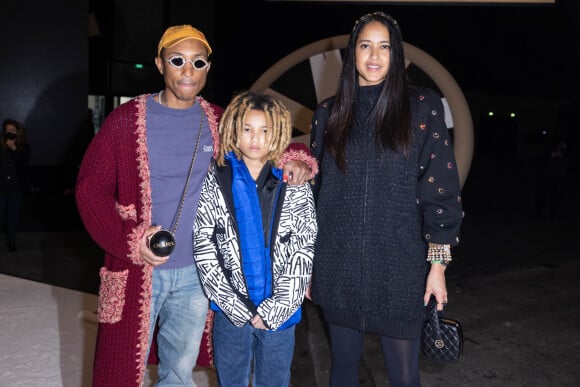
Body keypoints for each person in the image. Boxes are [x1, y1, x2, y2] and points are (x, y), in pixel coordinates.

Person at [75, 25, 317, 386]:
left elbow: (265, 143)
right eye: (177, 60)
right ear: (160, 64)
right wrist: (130, 240)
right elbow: (89, 190)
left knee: (179, 371)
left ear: (207, 68)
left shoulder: (219, 122)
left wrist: (298, 158)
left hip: (197, 276)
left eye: (198, 62)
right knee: (121, 372)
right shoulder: (124, 122)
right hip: (137, 268)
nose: (188, 71)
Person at [308, 12, 463, 387]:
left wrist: (438, 267)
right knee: (342, 369)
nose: (374, 56)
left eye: (384, 47)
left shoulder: (422, 106)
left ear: (397, 54)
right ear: (352, 52)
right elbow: (312, 193)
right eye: (365, 45)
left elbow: (440, 191)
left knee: (404, 376)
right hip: (338, 265)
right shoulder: (329, 112)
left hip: (400, 269)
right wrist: (308, 262)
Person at [193, 91, 318, 387]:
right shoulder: (217, 176)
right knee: (230, 380)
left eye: (265, 130)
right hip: (231, 312)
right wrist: (233, 305)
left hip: (280, 314)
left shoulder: (294, 181)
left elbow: (304, 246)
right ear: (235, 129)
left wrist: (278, 307)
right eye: (247, 128)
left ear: (278, 133)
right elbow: (204, 243)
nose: (255, 138)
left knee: (274, 381)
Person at [0, 119, 30, 252]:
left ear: (18, 132)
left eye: (12, 130)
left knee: (13, 216)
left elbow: (24, 164)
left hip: (16, 188)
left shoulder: (24, 147)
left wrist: (13, 148)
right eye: (7, 130)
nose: (9, 133)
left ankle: (11, 241)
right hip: (1, 187)